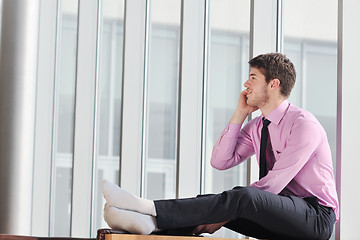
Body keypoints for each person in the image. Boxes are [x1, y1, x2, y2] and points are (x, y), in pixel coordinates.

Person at [102, 53, 339, 240]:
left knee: (240, 198)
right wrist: (240, 113)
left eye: (253, 78)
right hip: (281, 215)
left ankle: (149, 207)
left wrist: (226, 211)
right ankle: (151, 225)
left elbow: (272, 185)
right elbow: (221, 161)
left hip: (316, 217)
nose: (246, 83)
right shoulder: (258, 126)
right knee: (216, 200)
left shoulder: (303, 125)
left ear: (273, 84)